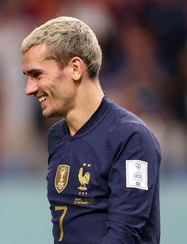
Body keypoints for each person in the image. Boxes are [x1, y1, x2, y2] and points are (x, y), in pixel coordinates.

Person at [21, 16, 161, 244]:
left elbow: (123, 236)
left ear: (75, 68)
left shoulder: (131, 138)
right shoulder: (57, 137)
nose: (29, 89)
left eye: (37, 75)